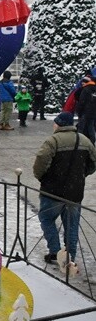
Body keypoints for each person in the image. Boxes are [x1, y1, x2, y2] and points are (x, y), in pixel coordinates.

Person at [33, 111, 96, 276]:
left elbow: (40, 162)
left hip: (52, 192)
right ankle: (70, 258)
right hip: (75, 193)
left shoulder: (52, 141)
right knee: (72, 226)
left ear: (59, 124)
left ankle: (55, 251)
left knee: (46, 218)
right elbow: (93, 162)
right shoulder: (84, 140)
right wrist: (82, 174)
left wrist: (43, 178)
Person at [76, 74, 96, 144]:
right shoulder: (94, 89)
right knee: (91, 128)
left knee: (81, 129)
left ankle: (79, 143)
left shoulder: (85, 89)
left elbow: (82, 102)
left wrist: (79, 111)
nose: (82, 83)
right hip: (93, 113)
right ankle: (92, 142)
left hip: (85, 112)